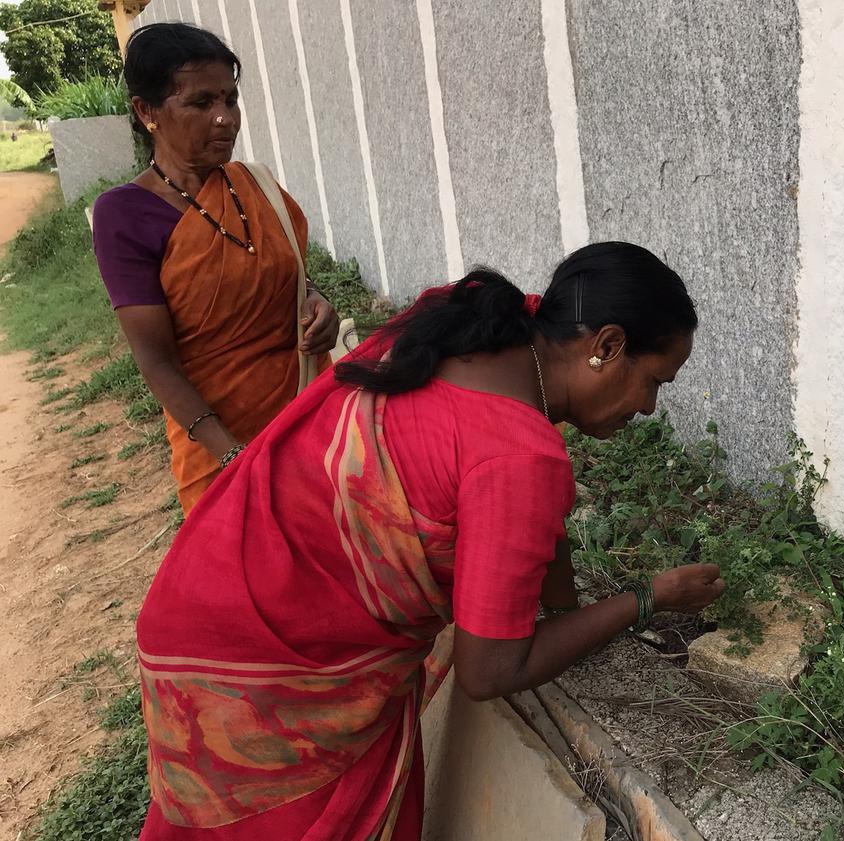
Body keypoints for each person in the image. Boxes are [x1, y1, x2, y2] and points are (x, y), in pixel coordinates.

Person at [134, 242, 727, 840]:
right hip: (270, 674)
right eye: (654, 382)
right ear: (606, 346)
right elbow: (492, 669)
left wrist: (567, 608)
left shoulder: (477, 320)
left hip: (214, 581)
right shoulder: (517, 459)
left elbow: (528, 522)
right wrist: (647, 599)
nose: (650, 408)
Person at [91, 23, 338, 515]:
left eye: (230, 99)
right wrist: (230, 454)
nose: (225, 119)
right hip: (217, 442)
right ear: (147, 112)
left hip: (308, 410)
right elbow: (156, 360)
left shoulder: (255, 187)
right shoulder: (125, 215)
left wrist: (315, 300)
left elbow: (288, 273)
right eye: (201, 103)